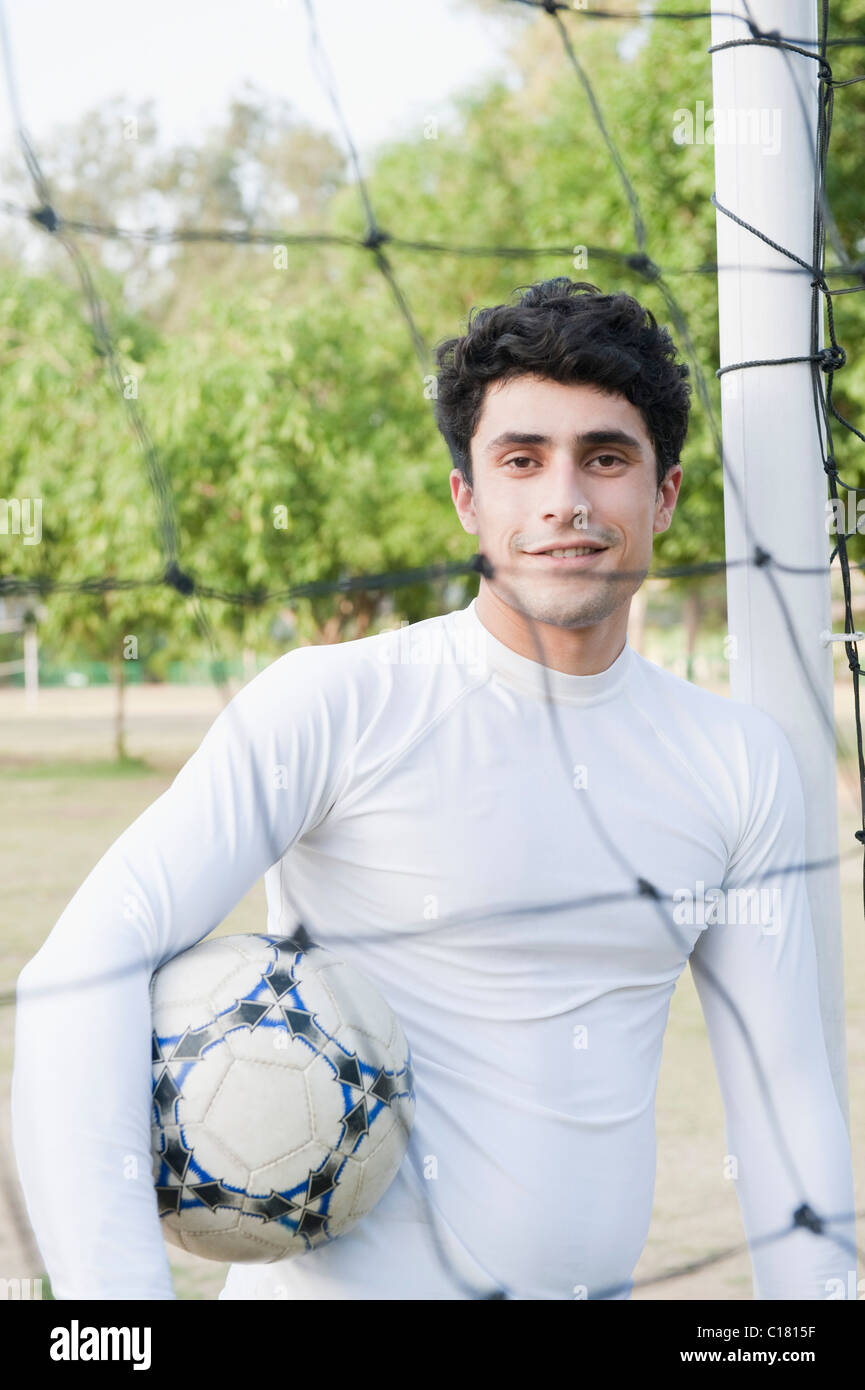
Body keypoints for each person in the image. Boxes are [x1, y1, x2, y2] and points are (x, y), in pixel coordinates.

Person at [12, 278, 856, 1301]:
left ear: (664, 493)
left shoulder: (737, 760)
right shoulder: (335, 703)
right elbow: (86, 967)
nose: (565, 500)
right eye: (520, 459)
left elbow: (786, 1105)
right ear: (467, 497)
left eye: (604, 456)